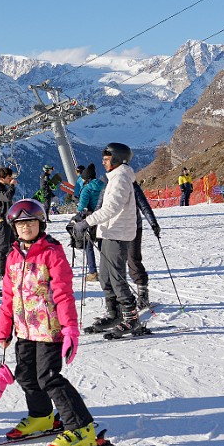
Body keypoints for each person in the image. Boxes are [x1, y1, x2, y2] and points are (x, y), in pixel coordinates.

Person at [0, 199, 96, 446]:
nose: (25, 227)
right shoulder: (12, 256)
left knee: (49, 378)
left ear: (40, 223)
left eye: (30, 221)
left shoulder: (51, 252)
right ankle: (41, 415)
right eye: (20, 223)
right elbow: (8, 296)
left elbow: (63, 293)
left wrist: (70, 328)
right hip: (24, 329)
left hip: (49, 328)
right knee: (26, 375)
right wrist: (4, 327)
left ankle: (81, 428)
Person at [73, 143, 138, 337]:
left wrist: (87, 222)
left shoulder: (121, 178)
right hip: (109, 233)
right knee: (105, 276)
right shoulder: (115, 177)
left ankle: (130, 318)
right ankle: (114, 313)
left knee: (116, 277)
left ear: (117, 159)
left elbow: (112, 208)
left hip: (118, 234)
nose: (103, 161)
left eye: (107, 158)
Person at [129, 182, 161, 311]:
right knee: (114, 266)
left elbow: (144, 205)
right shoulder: (109, 183)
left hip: (133, 228)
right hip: (114, 230)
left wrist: (153, 223)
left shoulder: (133, 185)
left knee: (133, 260)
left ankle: (142, 293)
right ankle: (120, 300)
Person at [76, 164, 104, 282]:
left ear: (86, 179)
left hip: (91, 218)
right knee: (103, 246)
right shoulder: (104, 185)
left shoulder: (87, 189)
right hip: (105, 218)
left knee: (89, 245)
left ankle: (92, 272)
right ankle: (106, 271)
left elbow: (81, 207)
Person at [0, 167, 17, 284]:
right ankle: (1, 273)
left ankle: (12, 267)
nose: (11, 179)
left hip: (7, 219)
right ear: (2, 178)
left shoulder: (2, 187)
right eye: (9, 178)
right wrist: (12, 187)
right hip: (0, 220)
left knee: (14, 244)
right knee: (2, 247)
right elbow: (6, 197)